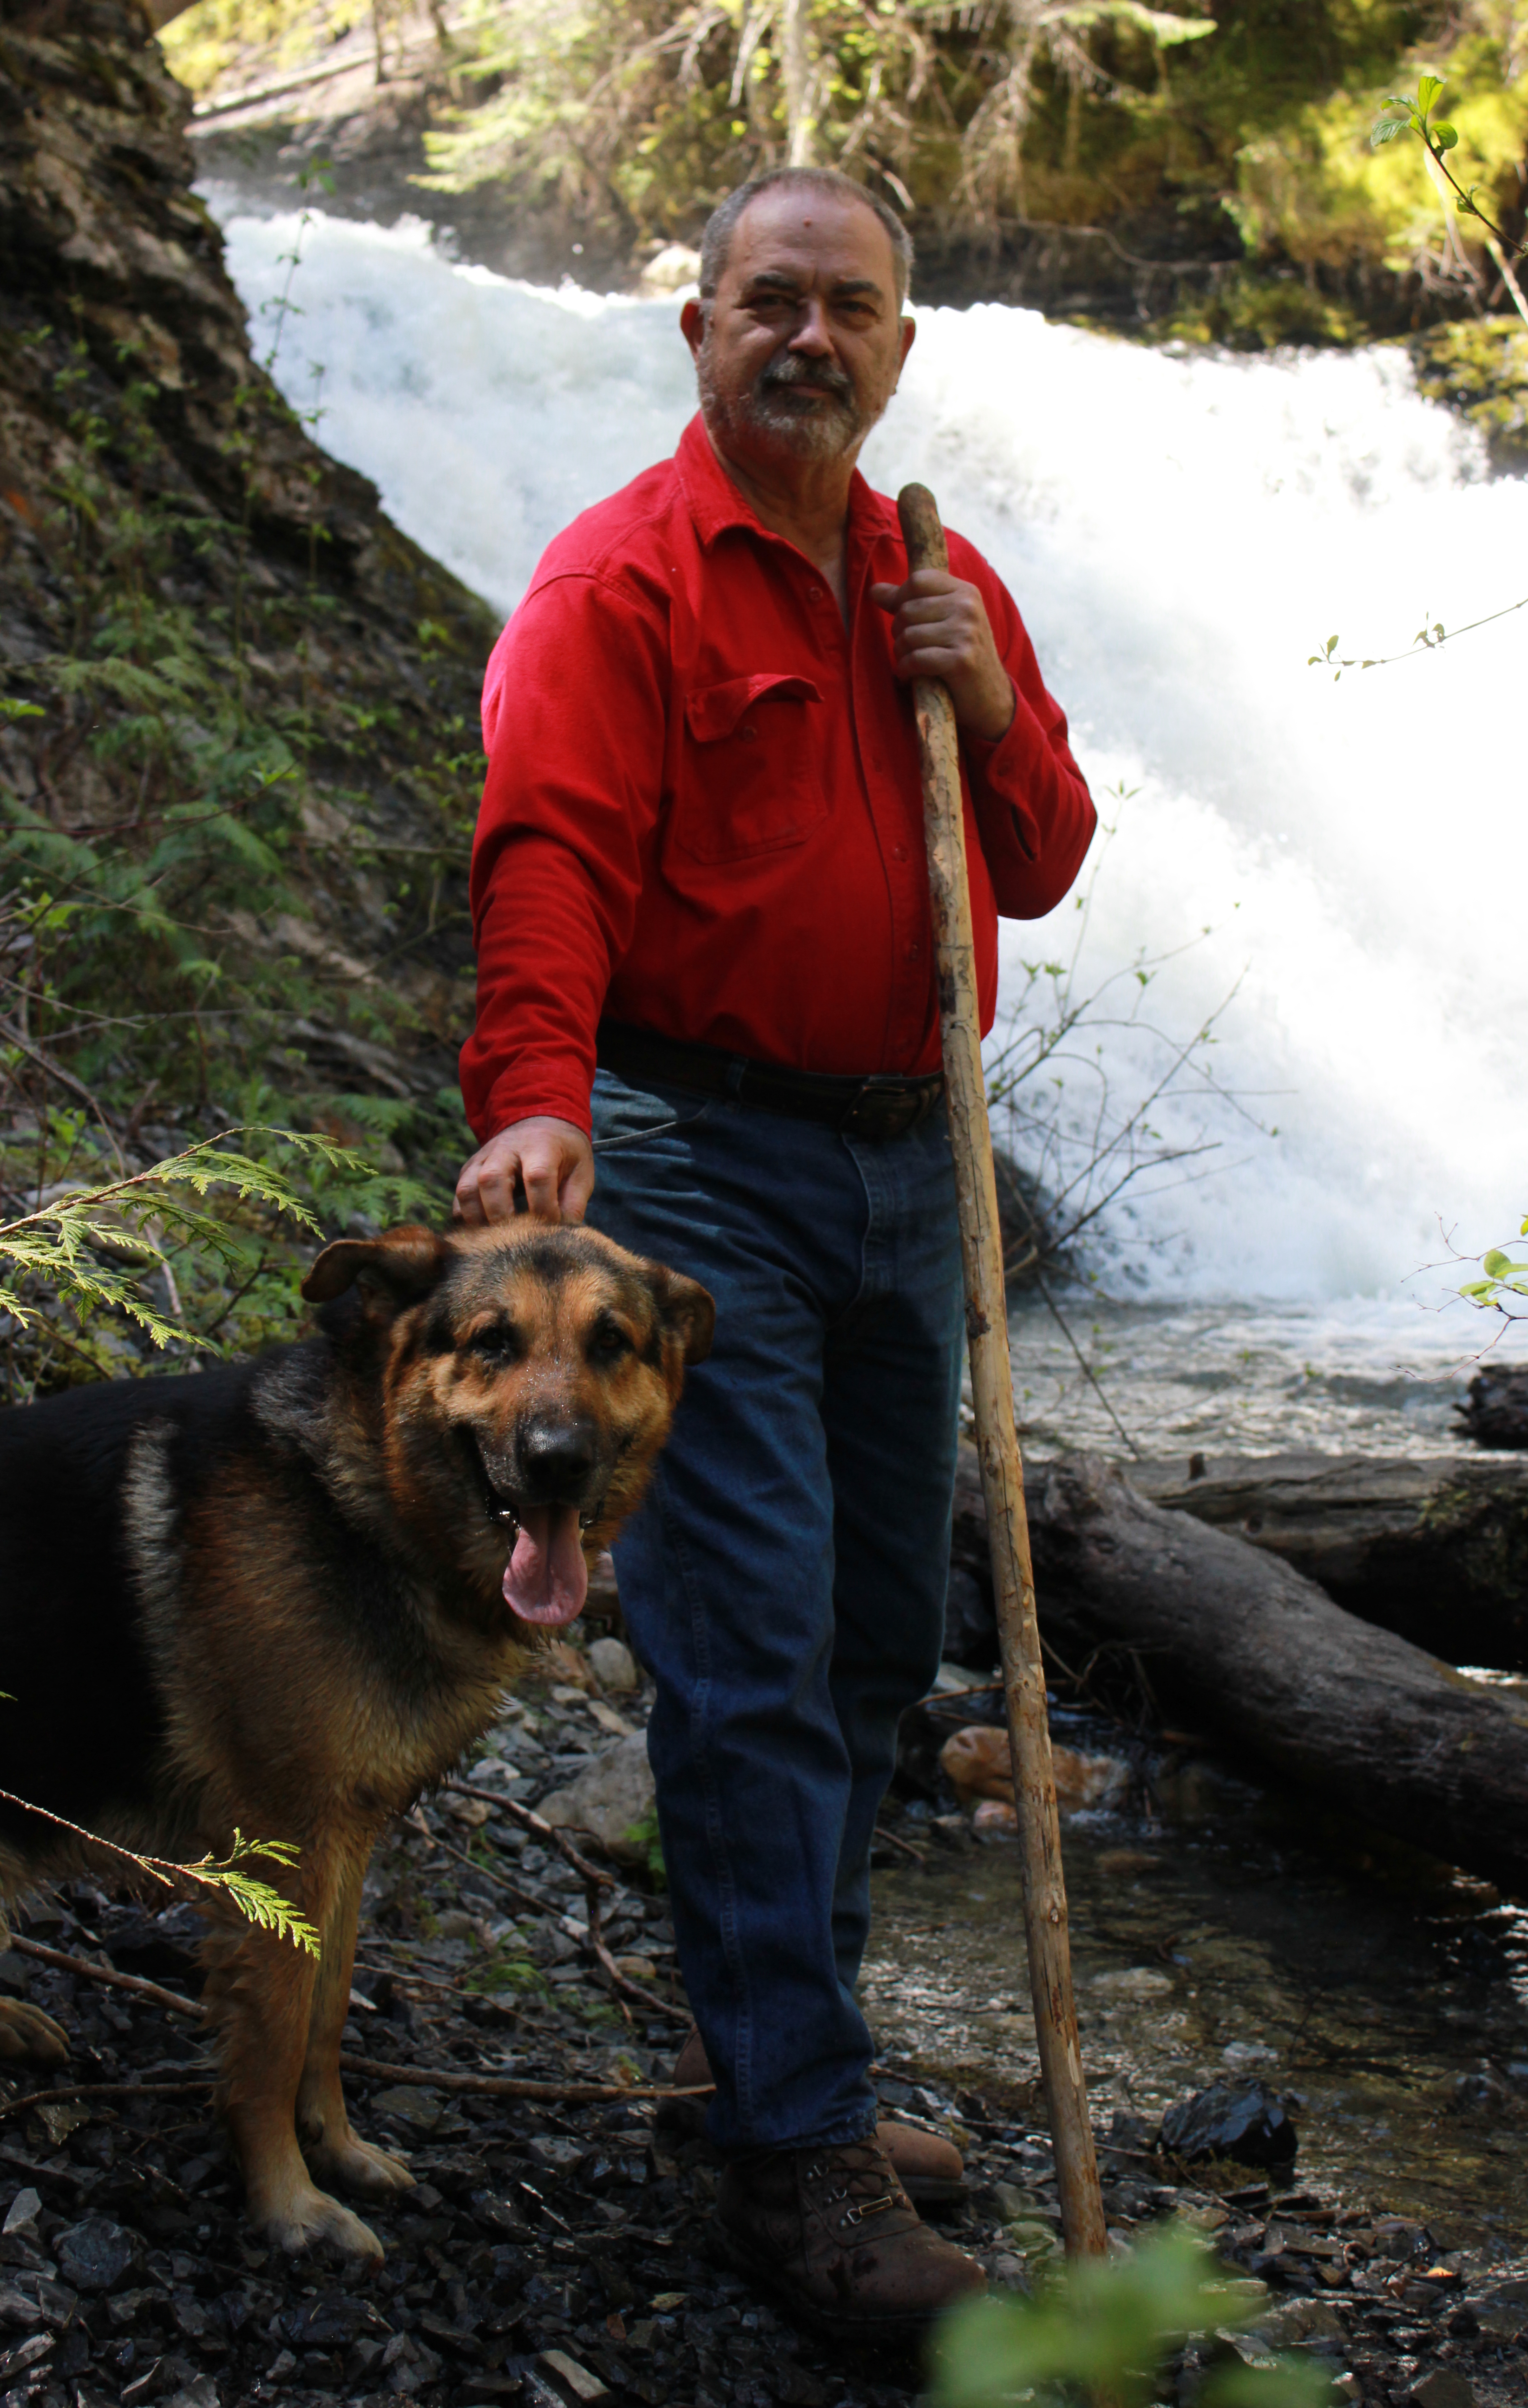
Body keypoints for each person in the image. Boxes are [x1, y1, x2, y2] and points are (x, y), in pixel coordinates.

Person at [455, 165, 1097, 2343]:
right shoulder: (616, 588)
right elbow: (543, 856)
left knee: (863, 1646)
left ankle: (769, 2059)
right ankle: (799, 2157)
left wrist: (989, 700)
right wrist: (533, 1095)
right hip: (692, 1151)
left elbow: (1048, 858)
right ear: (700, 328)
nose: (810, 339)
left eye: (853, 309)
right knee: (742, 1640)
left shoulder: (935, 570)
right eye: (770, 304)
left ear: (904, 347)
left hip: (916, 1159)